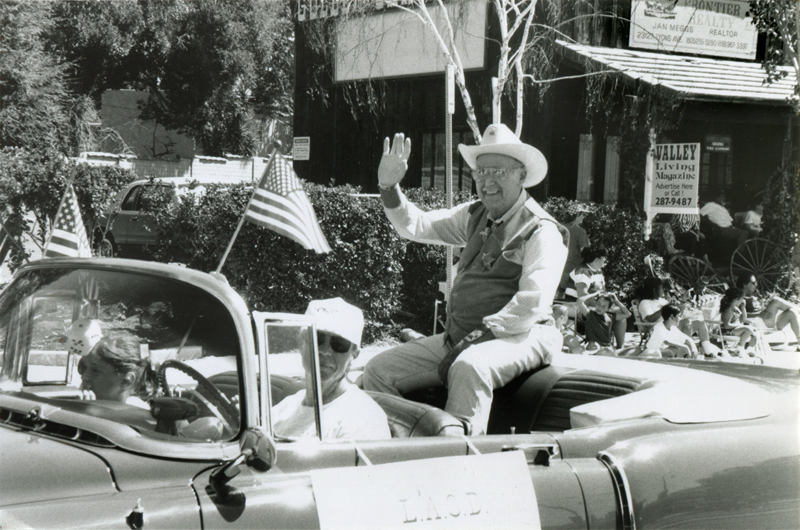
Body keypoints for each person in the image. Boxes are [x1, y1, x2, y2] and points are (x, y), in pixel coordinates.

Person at [361, 123, 567, 435]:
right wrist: (389, 186)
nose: (487, 181)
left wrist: (473, 341)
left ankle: (459, 455)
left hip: (524, 334)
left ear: (521, 175)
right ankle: (395, 449)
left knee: (470, 366)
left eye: (498, 171)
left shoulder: (542, 230)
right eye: (480, 172)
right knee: (378, 369)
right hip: (465, 338)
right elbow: (417, 226)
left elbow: (532, 304)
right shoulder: (474, 214)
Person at [272, 298, 391, 440]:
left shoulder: (365, 419)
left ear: (354, 354)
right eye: (317, 338)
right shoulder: (287, 406)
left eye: (339, 343)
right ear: (301, 342)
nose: (325, 351)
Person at [637, 277, 717, 357]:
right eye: (661, 288)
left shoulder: (663, 301)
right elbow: (650, 319)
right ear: (654, 290)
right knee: (687, 322)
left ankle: (707, 351)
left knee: (700, 323)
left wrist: (683, 302)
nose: (663, 290)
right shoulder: (645, 303)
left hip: (673, 327)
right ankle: (686, 354)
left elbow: (678, 315)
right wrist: (666, 308)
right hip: (662, 329)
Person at [78, 335, 158, 408]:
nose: (84, 376)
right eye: (84, 367)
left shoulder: (137, 414)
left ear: (125, 381)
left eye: (95, 371)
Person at [735, 273, 800, 350]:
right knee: (775, 301)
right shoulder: (738, 297)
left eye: (756, 282)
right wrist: (759, 314)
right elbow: (738, 315)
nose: (756, 285)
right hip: (756, 322)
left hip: (764, 320)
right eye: (753, 283)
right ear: (744, 284)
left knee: (792, 312)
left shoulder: (750, 295)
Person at [558, 203, 591, 296]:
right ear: (577, 214)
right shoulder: (580, 231)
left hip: (559, 270)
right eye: (583, 214)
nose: (584, 217)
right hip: (574, 273)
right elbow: (585, 253)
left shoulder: (560, 228)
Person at [719, 287, 758, 356]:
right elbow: (726, 325)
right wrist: (739, 325)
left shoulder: (735, 308)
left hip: (735, 328)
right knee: (748, 330)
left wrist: (743, 307)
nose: (743, 301)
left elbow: (744, 320)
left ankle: (750, 349)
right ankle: (739, 349)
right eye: (742, 299)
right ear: (736, 299)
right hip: (728, 331)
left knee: (755, 333)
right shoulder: (728, 309)